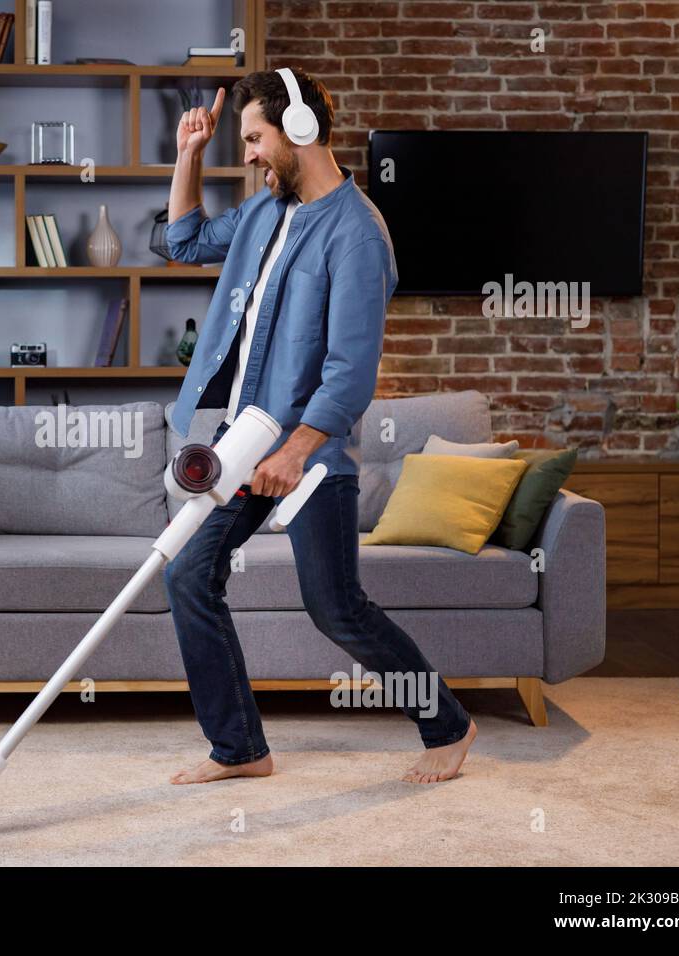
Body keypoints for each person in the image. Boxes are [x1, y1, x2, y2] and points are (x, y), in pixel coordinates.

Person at [163, 68, 477, 786]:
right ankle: (240, 748)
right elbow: (182, 242)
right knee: (187, 576)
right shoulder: (264, 213)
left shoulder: (359, 235)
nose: (245, 155)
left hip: (310, 457)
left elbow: (349, 370)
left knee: (336, 609)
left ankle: (448, 725)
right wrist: (189, 152)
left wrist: (298, 450)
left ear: (297, 129)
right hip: (243, 445)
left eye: (252, 138)